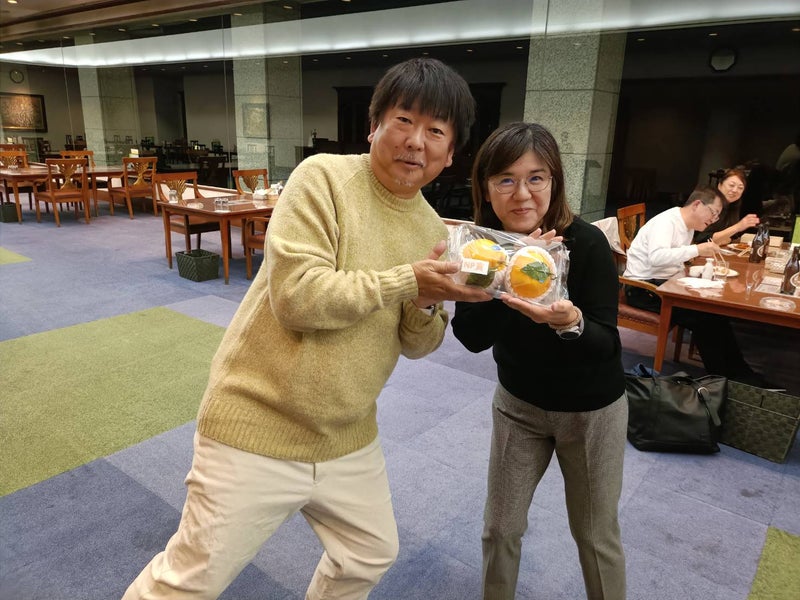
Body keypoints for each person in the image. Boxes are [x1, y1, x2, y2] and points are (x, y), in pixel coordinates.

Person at [122, 57, 491, 599]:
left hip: (346, 434)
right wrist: (405, 280)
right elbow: (297, 298)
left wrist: (424, 302)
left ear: (451, 152)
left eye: (436, 131)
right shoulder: (324, 178)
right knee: (188, 581)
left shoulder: (432, 228)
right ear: (375, 126)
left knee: (369, 553)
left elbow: (418, 344)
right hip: (258, 421)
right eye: (404, 121)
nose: (416, 141)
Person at [451, 122, 628, 600]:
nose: (522, 194)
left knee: (595, 536)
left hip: (591, 412)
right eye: (505, 179)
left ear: (554, 182)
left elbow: (608, 345)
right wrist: (507, 278)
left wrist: (570, 322)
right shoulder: (483, 250)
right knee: (500, 529)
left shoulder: (585, 244)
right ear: (486, 186)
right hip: (519, 406)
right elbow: (470, 337)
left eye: (536, 178)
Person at [624, 186, 771, 386]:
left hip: (666, 284)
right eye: (713, 213)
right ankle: (721, 378)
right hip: (643, 289)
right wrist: (697, 249)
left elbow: (675, 261)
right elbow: (656, 258)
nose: (714, 219)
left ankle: (740, 373)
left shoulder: (687, 225)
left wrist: (695, 270)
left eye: (717, 216)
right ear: (697, 205)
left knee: (715, 312)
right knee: (704, 317)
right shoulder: (666, 222)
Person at [694, 167, 758, 246]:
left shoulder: (734, 204)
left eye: (740, 188)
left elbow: (732, 236)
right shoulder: (708, 204)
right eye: (731, 185)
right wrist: (738, 227)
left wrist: (724, 238)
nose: (735, 190)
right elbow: (701, 238)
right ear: (720, 185)